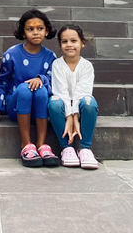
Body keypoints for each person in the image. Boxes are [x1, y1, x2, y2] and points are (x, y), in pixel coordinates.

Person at [0, 10, 59, 167]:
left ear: (46, 31)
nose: (35, 33)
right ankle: (26, 144)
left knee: (40, 89)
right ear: (23, 32)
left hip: (40, 105)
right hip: (16, 107)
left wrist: (41, 79)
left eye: (40, 28)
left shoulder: (51, 57)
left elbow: (54, 83)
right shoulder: (11, 54)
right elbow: (2, 81)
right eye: (30, 29)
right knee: (25, 89)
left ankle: (41, 145)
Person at [47, 24, 99, 170]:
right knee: (54, 102)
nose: (69, 45)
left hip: (80, 106)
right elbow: (60, 91)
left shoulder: (87, 66)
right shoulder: (57, 64)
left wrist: (75, 116)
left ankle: (84, 148)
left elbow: (82, 92)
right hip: (62, 106)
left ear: (82, 43)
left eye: (74, 41)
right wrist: (69, 115)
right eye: (64, 41)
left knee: (89, 101)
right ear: (60, 44)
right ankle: (66, 148)